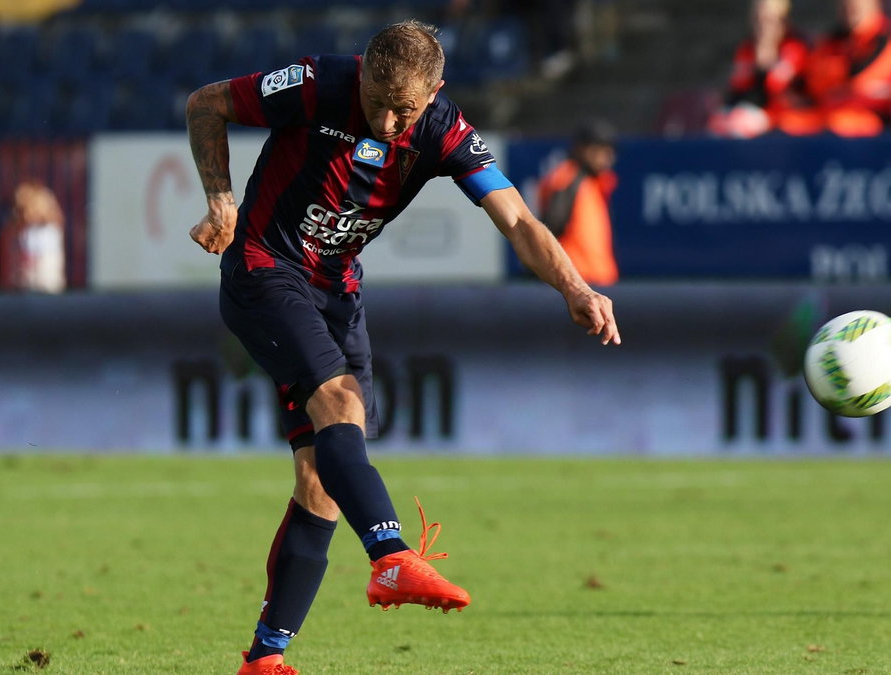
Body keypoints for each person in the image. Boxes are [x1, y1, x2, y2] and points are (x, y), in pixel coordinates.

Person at [184, 20, 621, 675]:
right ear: (360, 75)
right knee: (336, 399)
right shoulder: (315, 83)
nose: (387, 121)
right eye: (376, 101)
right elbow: (206, 102)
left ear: (435, 92)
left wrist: (574, 287)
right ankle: (390, 557)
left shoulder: (444, 130)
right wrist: (221, 203)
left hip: (336, 289)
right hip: (264, 267)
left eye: (405, 109)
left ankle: (264, 660)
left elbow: (519, 219)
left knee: (323, 478)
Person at [776, 0, 891, 137]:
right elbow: (811, 79)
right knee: (785, 123)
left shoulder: (887, 38)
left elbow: (859, 81)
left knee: (837, 124)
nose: (851, 11)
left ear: (874, 5)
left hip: (870, 118)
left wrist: (831, 86)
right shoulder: (833, 40)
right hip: (824, 112)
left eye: (856, 6)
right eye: (846, 6)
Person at [708, 0, 809, 139]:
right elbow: (739, 87)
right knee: (718, 122)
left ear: (783, 21)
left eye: (769, 20)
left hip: (785, 114)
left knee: (739, 124)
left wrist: (766, 59)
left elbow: (776, 87)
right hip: (754, 111)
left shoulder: (794, 48)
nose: (763, 26)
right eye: (758, 19)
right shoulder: (747, 49)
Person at [536, 118, 619, 286]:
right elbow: (552, 227)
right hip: (577, 281)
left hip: (595, 280)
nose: (608, 158)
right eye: (602, 150)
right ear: (583, 149)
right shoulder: (568, 179)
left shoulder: (592, 183)